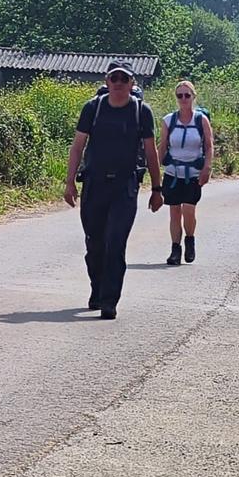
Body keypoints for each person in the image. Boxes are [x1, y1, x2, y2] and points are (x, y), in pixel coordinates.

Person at [64, 60, 164, 320]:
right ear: (106, 82)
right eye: (114, 79)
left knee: (115, 243)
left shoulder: (141, 111)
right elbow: (77, 147)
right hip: (95, 185)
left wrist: (157, 188)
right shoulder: (93, 108)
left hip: (124, 186)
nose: (119, 83)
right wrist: (69, 182)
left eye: (124, 79)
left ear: (132, 83)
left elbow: (151, 152)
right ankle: (97, 289)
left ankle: (109, 301)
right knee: (94, 244)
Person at [157, 80, 213, 265]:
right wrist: (156, 171)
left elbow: (209, 145)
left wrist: (207, 168)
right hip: (173, 173)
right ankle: (175, 250)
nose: (183, 99)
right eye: (179, 95)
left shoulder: (201, 120)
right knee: (174, 212)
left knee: (189, 210)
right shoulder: (168, 120)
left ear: (193, 97)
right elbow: (162, 146)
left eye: (187, 95)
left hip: (194, 173)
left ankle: (190, 241)